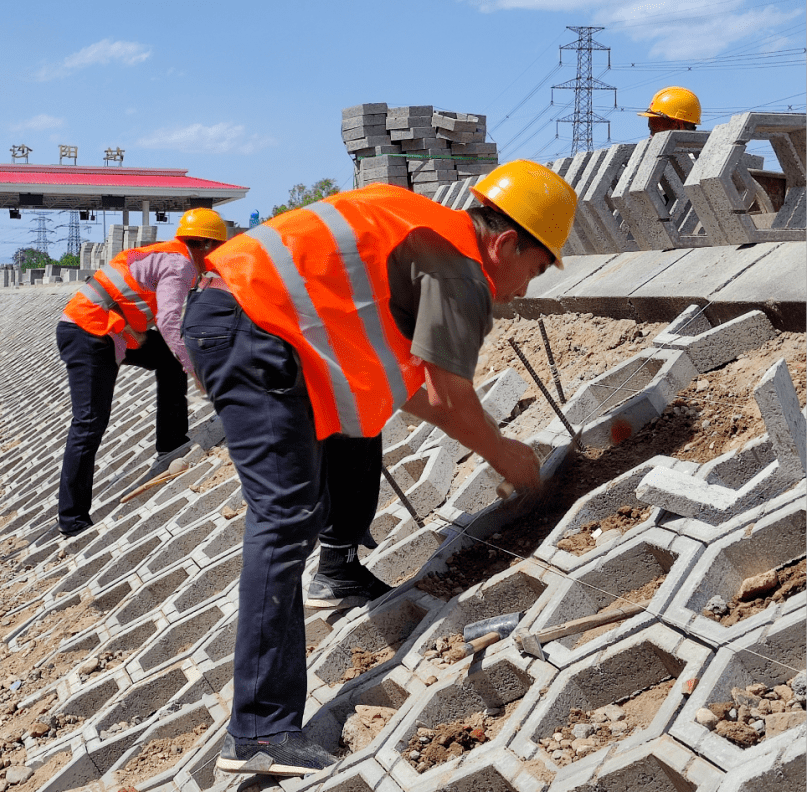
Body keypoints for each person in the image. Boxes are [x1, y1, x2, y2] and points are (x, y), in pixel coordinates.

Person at [181, 160, 577, 776]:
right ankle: (258, 734)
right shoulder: (458, 267)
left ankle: (315, 610)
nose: (524, 288)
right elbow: (448, 396)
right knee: (285, 519)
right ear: (504, 243)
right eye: (534, 267)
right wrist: (512, 461)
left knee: (305, 498)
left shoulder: (421, 230)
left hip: (245, 323)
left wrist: (492, 443)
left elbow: (413, 390)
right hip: (251, 329)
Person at [55, 208, 227, 538]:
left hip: (114, 330)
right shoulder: (179, 265)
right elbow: (169, 323)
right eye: (217, 247)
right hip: (89, 332)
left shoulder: (173, 254)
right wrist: (196, 370)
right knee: (89, 423)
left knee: (168, 358)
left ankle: (171, 441)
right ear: (205, 244)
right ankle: (72, 518)